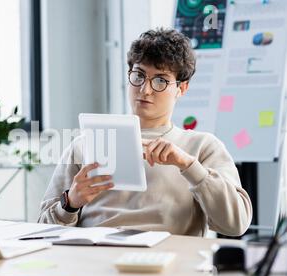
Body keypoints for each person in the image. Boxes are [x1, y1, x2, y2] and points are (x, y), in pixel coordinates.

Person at [38, 28, 252, 237]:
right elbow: (42, 229)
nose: (145, 90)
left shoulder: (203, 147)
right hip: (97, 258)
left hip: (168, 261)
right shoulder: (86, 144)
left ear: (182, 88)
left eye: (160, 80)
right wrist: (71, 202)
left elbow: (236, 224)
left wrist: (188, 166)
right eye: (138, 75)